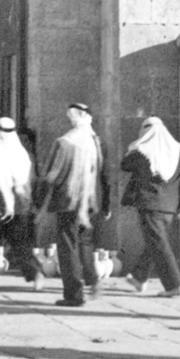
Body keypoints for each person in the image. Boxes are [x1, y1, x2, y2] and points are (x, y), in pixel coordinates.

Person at [35, 102, 110, 307]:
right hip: (90, 202)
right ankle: (93, 282)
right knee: (85, 243)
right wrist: (107, 204)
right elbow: (105, 175)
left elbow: (52, 177)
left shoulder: (65, 142)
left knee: (67, 246)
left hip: (68, 202)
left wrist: (39, 201)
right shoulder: (96, 142)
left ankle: (74, 295)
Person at [121, 116, 180, 297]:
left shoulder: (142, 152)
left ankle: (174, 285)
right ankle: (139, 277)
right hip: (169, 207)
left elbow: (125, 165)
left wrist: (134, 146)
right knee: (155, 242)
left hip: (150, 205)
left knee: (158, 243)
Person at [0, 117, 45, 292]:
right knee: (21, 245)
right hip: (20, 207)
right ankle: (36, 274)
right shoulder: (23, 155)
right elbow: (31, 181)